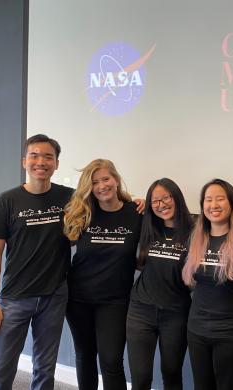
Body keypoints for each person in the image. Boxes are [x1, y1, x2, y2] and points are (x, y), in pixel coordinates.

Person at [0, 134, 73, 390]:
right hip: (15, 297)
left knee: (45, 369)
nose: (41, 161)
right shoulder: (6, 201)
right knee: (1, 369)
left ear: (56, 164)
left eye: (48, 157)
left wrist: (135, 200)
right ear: (24, 161)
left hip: (54, 295)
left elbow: (105, 195)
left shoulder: (70, 198)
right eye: (34, 155)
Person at [63, 159, 143, 390]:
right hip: (79, 298)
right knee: (85, 356)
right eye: (95, 182)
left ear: (116, 180)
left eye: (105, 179)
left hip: (116, 301)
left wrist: (145, 202)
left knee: (111, 361)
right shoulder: (83, 213)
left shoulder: (136, 214)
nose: (101, 186)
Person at [182, 179, 233, 390]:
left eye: (220, 199)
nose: (213, 205)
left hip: (231, 332)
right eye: (208, 200)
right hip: (197, 330)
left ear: (231, 203)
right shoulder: (195, 239)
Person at [127, 178, 193, 390]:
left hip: (175, 313)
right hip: (140, 311)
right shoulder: (147, 227)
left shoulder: (194, 233)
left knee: (172, 374)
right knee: (141, 377)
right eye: (155, 200)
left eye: (167, 197)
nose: (161, 204)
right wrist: (134, 201)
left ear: (177, 199)